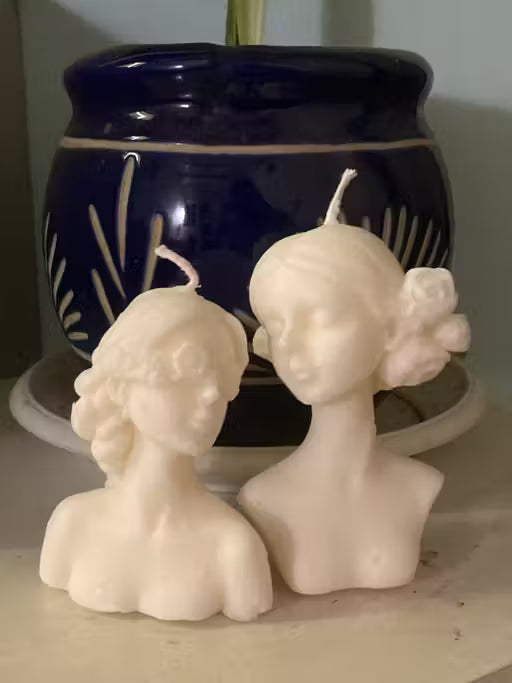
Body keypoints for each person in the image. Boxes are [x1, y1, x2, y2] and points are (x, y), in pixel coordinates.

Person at [239, 170, 470, 594]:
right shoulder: (263, 497)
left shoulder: (419, 486)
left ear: (389, 325)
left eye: (321, 319)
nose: (291, 346)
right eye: (277, 325)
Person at [40, 246, 272, 621]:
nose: (211, 394)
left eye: (220, 378)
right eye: (185, 375)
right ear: (122, 387)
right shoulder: (72, 525)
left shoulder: (232, 548)